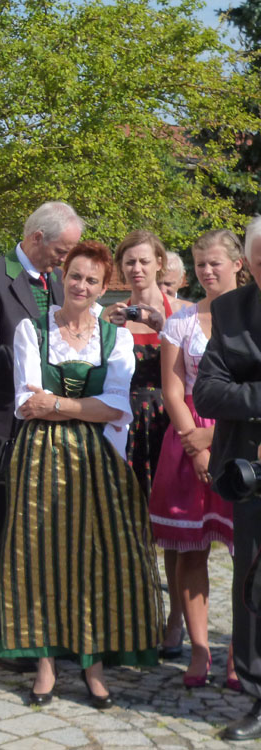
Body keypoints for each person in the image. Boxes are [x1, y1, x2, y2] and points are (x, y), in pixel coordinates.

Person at [0, 241, 163, 708]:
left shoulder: (116, 339)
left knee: (95, 557)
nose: (81, 286)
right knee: (39, 554)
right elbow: (27, 403)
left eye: (92, 280)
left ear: (104, 289)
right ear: (61, 278)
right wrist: (84, 406)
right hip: (39, 458)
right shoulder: (32, 329)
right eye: (75, 276)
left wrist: (58, 403)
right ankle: (45, 664)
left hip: (98, 460)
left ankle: (93, 662)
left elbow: (117, 407)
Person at [0, 200, 83, 668]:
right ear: (37, 238)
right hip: (3, 428)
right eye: (61, 250)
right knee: (2, 532)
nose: (65, 260)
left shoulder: (57, 281)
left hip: (49, 428)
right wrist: (37, 357)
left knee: (42, 534)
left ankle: (41, 630)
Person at [149, 230, 247, 690]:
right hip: (188, 438)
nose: (207, 271)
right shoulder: (182, 321)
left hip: (238, 434)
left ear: (237, 265)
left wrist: (217, 438)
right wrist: (197, 445)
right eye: (200, 264)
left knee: (245, 551)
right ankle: (200, 649)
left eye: (215, 263)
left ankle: (240, 651)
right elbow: (172, 390)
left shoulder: (250, 317)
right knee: (192, 551)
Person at [104, 230, 190, 659]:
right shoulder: (110, 315)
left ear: (159, 262)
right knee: (127, 528)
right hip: (124, 427)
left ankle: (175, 619)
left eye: (144, 260)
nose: (136, 269)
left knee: (173, 529)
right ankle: (135, 617)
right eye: (129, 262)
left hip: (169, 424)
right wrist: (106, 327)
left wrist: (165, 327)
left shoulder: (183, 312)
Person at [193, 215, 261, 741]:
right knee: (252, 582)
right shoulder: (231, 310)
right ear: (250, 263)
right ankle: (259, 692)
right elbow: (208, 393)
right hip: (251, 473)